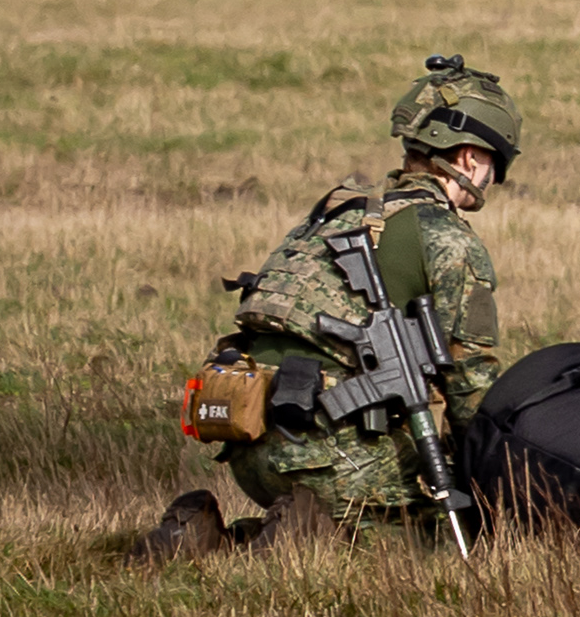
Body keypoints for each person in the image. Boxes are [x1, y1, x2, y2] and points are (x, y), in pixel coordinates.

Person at [144, 55, 520, 556]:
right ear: (470, 157)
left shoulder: (338, 211)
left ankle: (212, 537)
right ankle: (306, 534)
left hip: (248, 437)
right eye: (495, 162)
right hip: (329, 454)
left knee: (356, 513)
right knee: (440, 543)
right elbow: (472, 388)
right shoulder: (448, 239)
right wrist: (502, 477)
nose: (492, 177)